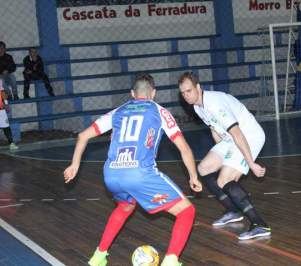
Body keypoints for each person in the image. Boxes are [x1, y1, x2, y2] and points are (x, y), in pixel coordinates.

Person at [64, 74, 202, 266]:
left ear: (132, 94)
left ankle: (98, 256)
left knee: (125, 206)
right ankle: (170, 261)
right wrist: (193, 176)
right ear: (153, 93)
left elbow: (83, 136)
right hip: (139, 174)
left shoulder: (118, 111)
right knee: (186, 212)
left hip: (111, 174)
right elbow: (184, 148)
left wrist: (74, 165)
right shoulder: (159, 111)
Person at [178, 72, 270, 240]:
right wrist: (220, 155)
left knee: (224, 180)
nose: (186, 95)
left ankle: (259, 224)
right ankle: (233, 210)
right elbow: (215, 128)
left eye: (189, 91)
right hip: (230, 139)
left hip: (249, 136)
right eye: (183, 93)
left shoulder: (214, 103)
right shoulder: (199, 107)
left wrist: (251, 164)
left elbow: (238, 133)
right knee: (204, 168)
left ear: (198, 87)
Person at [0, 79, 18, 150]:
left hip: (1, 109)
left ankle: (11, 143)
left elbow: (2, 92)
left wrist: (6, 104)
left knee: (6, 127)